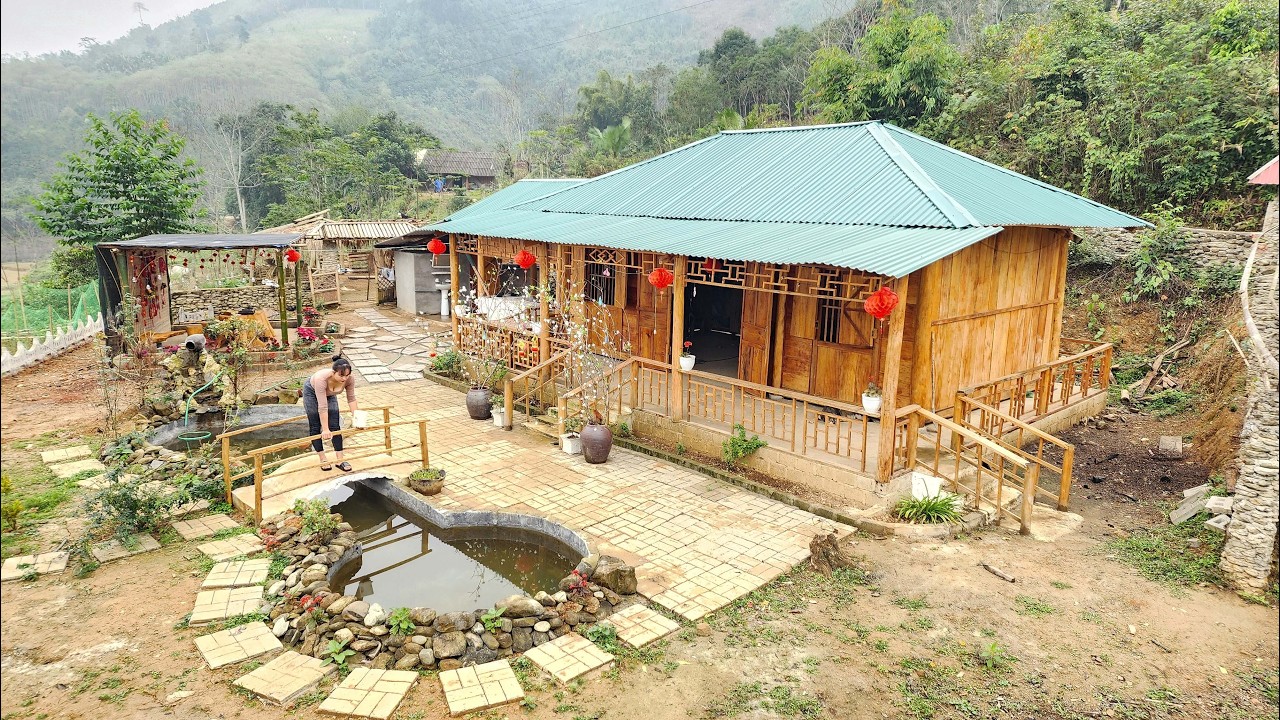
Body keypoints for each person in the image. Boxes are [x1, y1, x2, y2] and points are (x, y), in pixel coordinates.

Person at [304, 355, 359, 471]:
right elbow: (322, 407)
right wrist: (325, 429)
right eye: (341, 375)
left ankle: (340, 460)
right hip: (312, 392)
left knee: (335, 426)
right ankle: (323, 458)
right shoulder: (321, 379)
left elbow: (352, 399)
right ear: (333, 372)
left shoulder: (349, 380)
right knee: (315, 426)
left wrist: (358, 419)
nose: (344, 378)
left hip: (330, 394)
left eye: (347, 375)